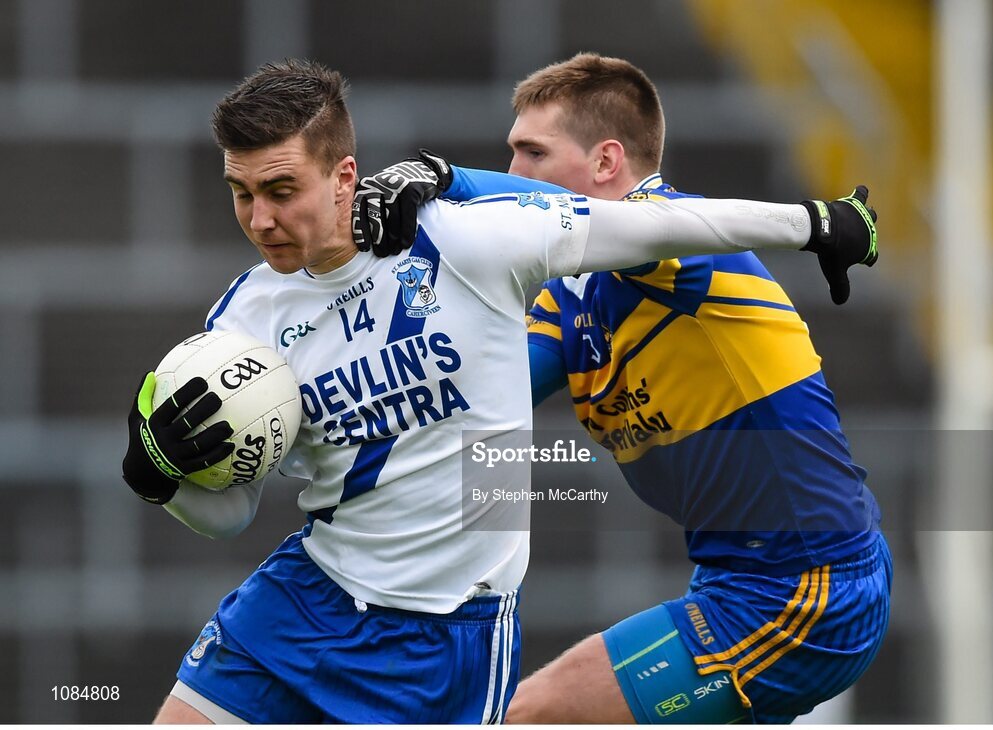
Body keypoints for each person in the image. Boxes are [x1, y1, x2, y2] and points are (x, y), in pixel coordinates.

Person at [120, 58, 879, 724]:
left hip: (803, 586)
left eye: (532, 152)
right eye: (240, 193)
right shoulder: (251, 316)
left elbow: (667, 225)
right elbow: (483, 423)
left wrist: (821, 223)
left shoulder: (607, 245)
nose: (260, 218)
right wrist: (162, 472)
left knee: (537, 717)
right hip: (313, 593)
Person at [352, 53, 891, 724]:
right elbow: (475, 400)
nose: (516, 172)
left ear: (607, 163)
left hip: (806, 588)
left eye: (532, 152)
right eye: (510, 154)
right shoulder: (569, 295)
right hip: (738, 583)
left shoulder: (673, 239)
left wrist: (449, 180)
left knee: (521, 720)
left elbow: (595, 223)